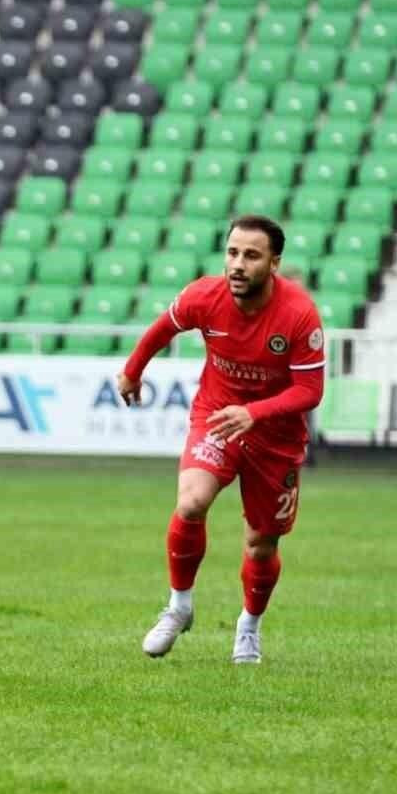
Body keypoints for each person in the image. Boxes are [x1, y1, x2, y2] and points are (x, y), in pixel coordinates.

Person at [119, 215, 325, 664]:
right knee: (191, 503)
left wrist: (255, 412)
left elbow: (311, 391)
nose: (237, 264)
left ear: (274, 262)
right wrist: (133, 371)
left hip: (275, 437)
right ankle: (179, 608)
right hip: (217, 416)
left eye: (251, 255)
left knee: (261, 543)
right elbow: (162, 328)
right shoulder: (205, 295)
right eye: (232, 252)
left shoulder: (298, 314)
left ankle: (248, 626)